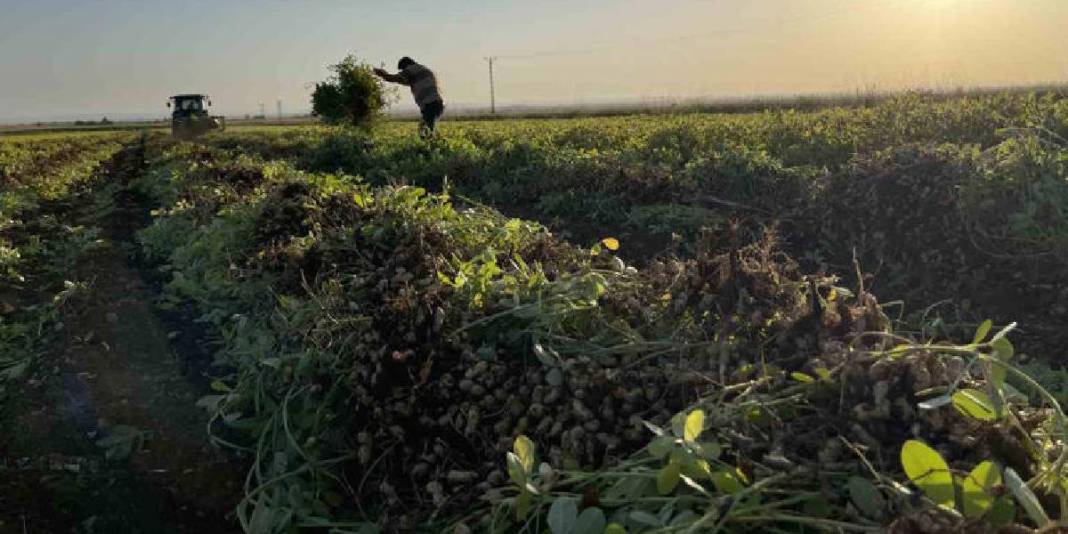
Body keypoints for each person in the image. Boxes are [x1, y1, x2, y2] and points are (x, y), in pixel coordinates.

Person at [374, 57, 444, 138]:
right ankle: (437, 145)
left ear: (406, 65)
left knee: (424, 131)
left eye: (402, 69)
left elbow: (394, 78)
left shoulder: (411, 69)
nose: (403, 72)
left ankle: (433, 147)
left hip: (430, 104)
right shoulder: (422, 69)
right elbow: (407, 81)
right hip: (437, 103)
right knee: (428, 128)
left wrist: (382, 74)